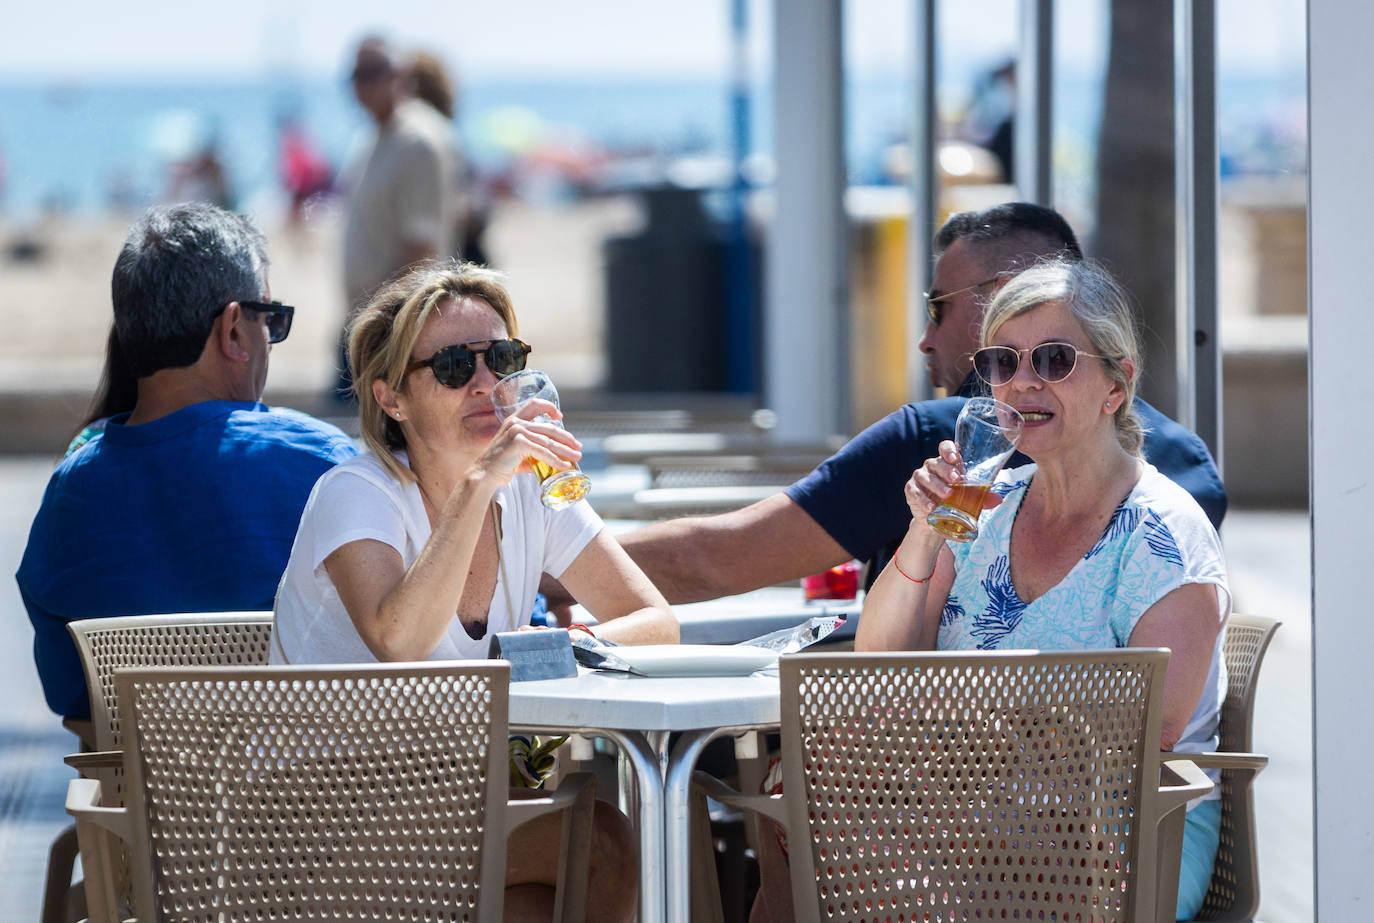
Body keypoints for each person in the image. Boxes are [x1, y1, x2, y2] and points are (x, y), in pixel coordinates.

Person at [542, 202, 1226, 610]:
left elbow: (714, 560)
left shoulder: (938, 447)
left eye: (938, 308)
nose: (925, 338)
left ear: (1012, 297)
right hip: (1118, 817)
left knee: (742, 779)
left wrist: (531, 578)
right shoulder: (1186, 467)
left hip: (977, 795)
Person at [270, 260, 676, 921]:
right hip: (323, 825)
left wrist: (566, 648)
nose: (488, 384)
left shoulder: (529, 485)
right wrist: (477, 484)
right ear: (391, 398)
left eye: (502, 358)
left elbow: (655, 620)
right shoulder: (356, 493)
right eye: (457, 366)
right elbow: (400, 638)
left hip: (438, 809)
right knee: (602, 841)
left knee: (547, 899)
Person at [840, 258, 1227, 921]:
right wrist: (923, 534)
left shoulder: (1163, 533)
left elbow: (1151, 726)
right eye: (1002, 362)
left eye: (1053, 359)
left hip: (1118, 832)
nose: (1023, 382)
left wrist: (956, 745)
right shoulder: (983, 506)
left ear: (1117, 384)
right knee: (804, 843)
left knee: (863, 868)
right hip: (968, 817)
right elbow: (879, 665)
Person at [16, 203, 358, 720]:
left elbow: (72, 700)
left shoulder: (71, 495)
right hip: (321, 793)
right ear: (234, 332)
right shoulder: (322, 464)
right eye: (270, 320)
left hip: (155, 798)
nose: (270, 340)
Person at [337, 37, 460, 399]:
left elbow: (420, 245)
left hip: (392, 328)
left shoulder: (419, 140)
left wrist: (389, 329)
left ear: (401, 74)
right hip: (364, 321)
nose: (364, 85)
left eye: (374, 72)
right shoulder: (373, 136)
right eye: (356, 75)